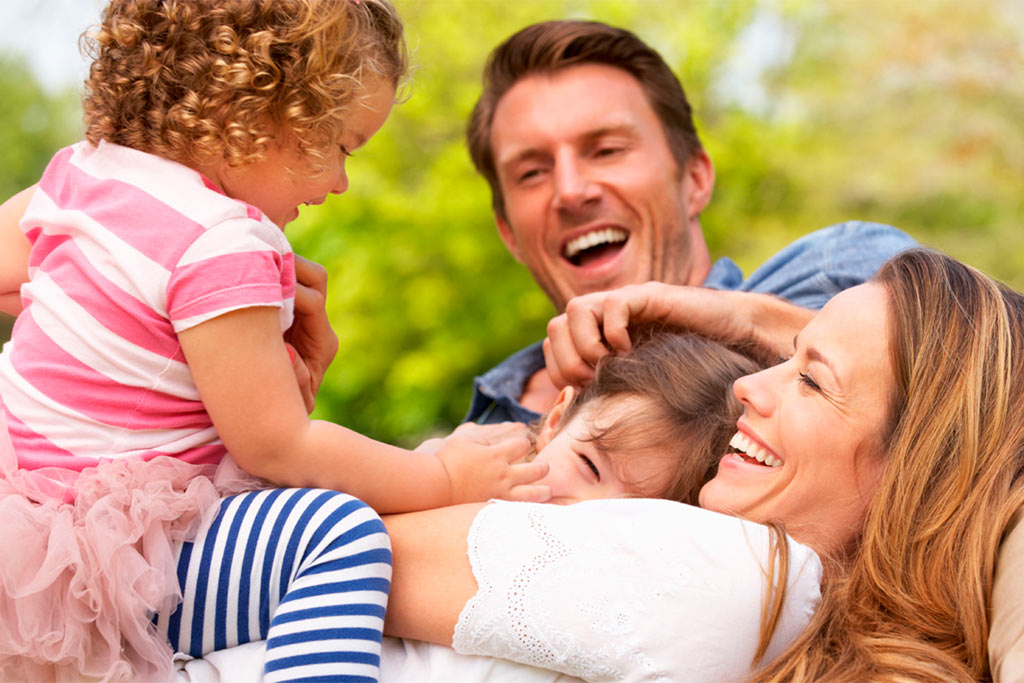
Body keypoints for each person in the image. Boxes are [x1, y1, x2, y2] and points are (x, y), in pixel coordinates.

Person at [0, 1, 547, 680]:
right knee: (339, 533)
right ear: (259, 115)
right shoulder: (222, 241)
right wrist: (443, 476)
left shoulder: (81, 173)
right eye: (342, 146)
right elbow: (279, 443)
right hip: (118, 562)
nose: (341, 184)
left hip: (25, 531)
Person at [380, 248, 1024, 681]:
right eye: (787, 353)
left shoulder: (743, 576)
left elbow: (309, 546)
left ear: (914, 474)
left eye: (812, 381)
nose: (750, 387)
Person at [462, 20, 917, 425]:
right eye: (532, 173)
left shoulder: (843, 271)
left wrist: (734, 322)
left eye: (607, 150)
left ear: (695, 179)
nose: (570, 191)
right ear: (508, 233)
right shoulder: (485, 428)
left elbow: (951, 372)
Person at [524, 330, 761, 506]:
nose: (588, 508)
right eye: (591, 467)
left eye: (634, 510)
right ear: (555, 421)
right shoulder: (488, 476)